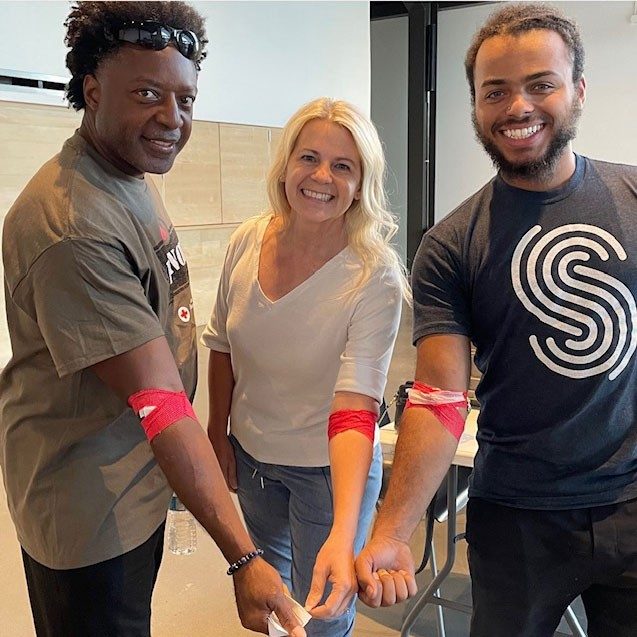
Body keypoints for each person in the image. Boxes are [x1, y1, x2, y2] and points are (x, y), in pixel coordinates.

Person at [0, 2, 304, 636]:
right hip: (88, 511)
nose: (172, 118)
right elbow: (160, 402)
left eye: (186, 99)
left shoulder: (126, 168)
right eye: (146, 94)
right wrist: (244, 556)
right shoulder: (74, 225)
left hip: (133, 479)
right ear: (91, 91)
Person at [355, 3, 637, 636]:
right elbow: (438, 396)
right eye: (496, 91)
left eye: (541, 84)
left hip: (631, 501)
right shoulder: (451, 243)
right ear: (475, 105)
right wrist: (395, 529)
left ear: (579, 91)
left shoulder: (633, 199)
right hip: (515, 517)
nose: (518, 107)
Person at [202, 97, 410, 636]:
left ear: (363, 182)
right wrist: (216, 434)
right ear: (286, 165)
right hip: (252, 459)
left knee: (321, 613)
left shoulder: (374, 276)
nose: (322, 176)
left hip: (327, 472)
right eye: (309, 157)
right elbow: (222, 343)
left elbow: (356, 403)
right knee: (271, 600)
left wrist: (345, 530)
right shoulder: (248, 239)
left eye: (343, 166)